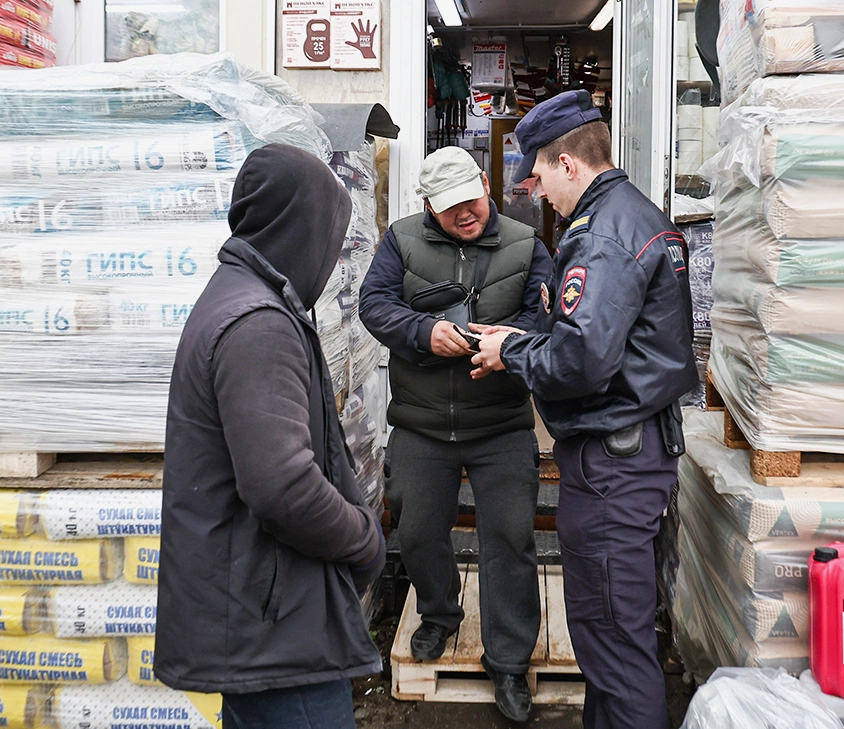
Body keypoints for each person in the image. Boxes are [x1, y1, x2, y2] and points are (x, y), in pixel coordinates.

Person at [469, 90, 699, 729]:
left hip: (611, 471)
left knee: (613, 644)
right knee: (612, 641)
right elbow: (602, 344)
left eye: (538, 174)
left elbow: (580, 363)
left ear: (567, 164)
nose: (536, 191)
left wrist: (512, 355)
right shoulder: (637, 215)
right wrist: (521, 341)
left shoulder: (599, 235)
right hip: (634, 452)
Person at [155, 145, 386, 729]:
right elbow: (282, 484)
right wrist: (362, 539)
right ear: (300, 229)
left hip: (260, 613)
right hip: (274, 624)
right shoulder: (258, 324)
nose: (333, 261)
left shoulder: (239, 298)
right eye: (329, 241)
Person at [359, 146, 551, 722]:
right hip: (421, 424)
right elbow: (374, 305)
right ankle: (439, 615)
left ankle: (510, 661)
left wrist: (507, 343)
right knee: (416, 530)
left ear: (486, 187)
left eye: (470, 200)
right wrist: (423, 330)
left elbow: (545, 321)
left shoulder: (527, 243)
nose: (463, 214)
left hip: (501, 425)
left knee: (512, 539)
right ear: (427, 206)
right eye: (448, 208)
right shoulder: (400, 240)